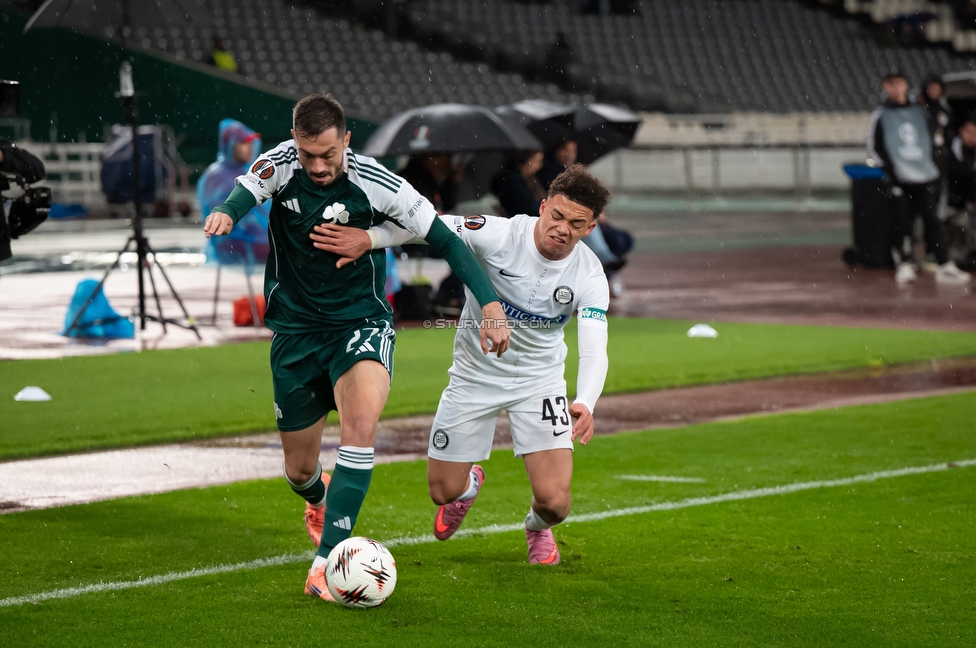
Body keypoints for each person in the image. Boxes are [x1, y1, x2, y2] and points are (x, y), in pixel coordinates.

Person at [203, 94, 512, 603]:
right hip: (296, 335)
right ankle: (319, 498)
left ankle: (327, 560)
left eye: (328, 154)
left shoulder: (379, 180)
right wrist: (225, 213)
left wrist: (492, 306)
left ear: (346, 140)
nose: (318, 167)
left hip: (360, 323)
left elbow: (448, 240)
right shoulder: (281, 163)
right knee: (300, 470)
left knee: (361, 427)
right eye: (309, 156)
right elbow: (243, 190)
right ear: (295, 143)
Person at [310, 164, 611, 565]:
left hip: (540, 382)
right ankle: (469, 486)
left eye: (576, 224)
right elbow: (426, 224)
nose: (562, 229)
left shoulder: (589, 274)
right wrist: (371, 238)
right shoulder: (499, 233)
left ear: (589, 228)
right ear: (543, 207)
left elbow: (594, 348)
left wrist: (586, 400)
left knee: (555, 501)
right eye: (556, 216)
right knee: (442, 491)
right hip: (474, 375)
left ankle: (537, 527)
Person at [867, 70, 971, 285]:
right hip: (899, 178)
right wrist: (892, 172)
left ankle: (944, 264)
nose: (897, 88)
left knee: (932, 220)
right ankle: (904, 263)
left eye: (900, 83)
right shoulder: (881, 114)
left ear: (906, 85)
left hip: (924, 177)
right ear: (886, 87)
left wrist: (931, 167)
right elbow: (875, 147)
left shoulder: (919, 111)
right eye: (892, 84)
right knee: (902, 222)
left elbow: (929, 140)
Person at [196, 119, 269, 267]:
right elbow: (217, 216)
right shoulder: (216, 176)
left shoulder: (251, 171)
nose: (249, 148)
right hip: (237, 241)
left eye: (250, 143)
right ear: (230, 146)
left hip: (256, 238)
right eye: (243, 143)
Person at [491, 149, 546, 218]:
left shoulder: (529, 178)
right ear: (527, 160)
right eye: (537, 161)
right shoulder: (513, 181)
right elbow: (527, 207)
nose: (540, 165)